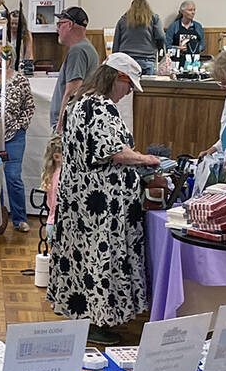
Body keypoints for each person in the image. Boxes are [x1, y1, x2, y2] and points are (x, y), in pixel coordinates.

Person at [47, 53, 161, 346]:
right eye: (129, 85)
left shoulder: (78, 102)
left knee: (81, 257)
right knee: (100, 258)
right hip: (100, 203)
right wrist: (145, 159)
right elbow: (113, 151)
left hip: (78, 197)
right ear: (117, 78)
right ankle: (97, 319)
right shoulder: (100, 107)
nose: (129, 92)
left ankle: (83, 314)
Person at [0, 46, 35, 231]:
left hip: (14, 135)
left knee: (13, 176)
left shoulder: (20, 80)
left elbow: (29, 107)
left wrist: (21, 125)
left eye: (2, 55)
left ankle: (19, 218)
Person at [51, 7, 98, 134]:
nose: (57, 29)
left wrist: (60, 126)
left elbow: (72, 92)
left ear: (70, 24)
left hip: (68, 126)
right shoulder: (87, 48)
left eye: (60, 24)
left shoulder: (78, 51)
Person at [113, 0, 164, 75]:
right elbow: (160, 36)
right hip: (147, 60)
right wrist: (161, 52)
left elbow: (116, 43)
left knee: (127, 83)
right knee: (148, 83)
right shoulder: (154, 19)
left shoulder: (123, 20)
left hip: (126, 60)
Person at [41, 135, 63, 241]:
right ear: (57, 156)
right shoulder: (60, 177)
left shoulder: (51, 174)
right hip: (57, 223)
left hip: (51, 221)